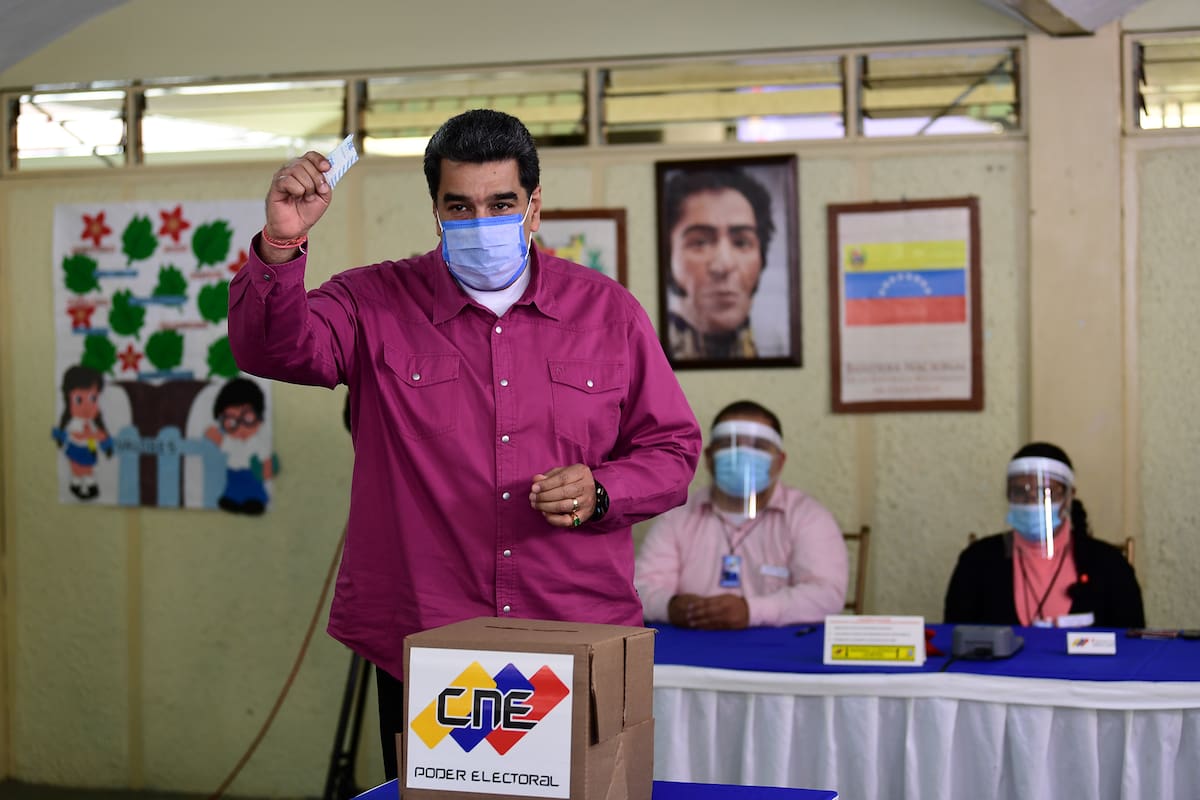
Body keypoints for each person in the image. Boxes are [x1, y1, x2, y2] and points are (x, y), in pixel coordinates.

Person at [226, 109, 702, 778]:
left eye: (501, 203)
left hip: (577, 629)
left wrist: (601, 491)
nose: (482, 222)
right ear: (437, 211)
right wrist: (279, 245)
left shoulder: (608, 313)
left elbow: (673, 452)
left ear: (533, 208)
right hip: (431, 636)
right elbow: (269, 348)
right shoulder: (372, 302)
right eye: (461, 206)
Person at [635, 400, 848, 629]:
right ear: (708, 457)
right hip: (692, 645)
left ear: (780, 461)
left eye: (759, 446)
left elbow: (827, 596)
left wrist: (751, 611)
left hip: (779, 651)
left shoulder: (808, 517)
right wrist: (671, 606)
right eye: (729, 444)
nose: (743, 455)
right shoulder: (677, 516)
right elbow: (641, 588)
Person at [943, 442, 1144, 628]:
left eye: (1044, 492)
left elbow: (1134, 646)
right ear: (1008, 496)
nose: (1031, 501)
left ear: (1068, 497)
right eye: (1020, 491)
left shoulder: (1109, 564)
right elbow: (954, 640)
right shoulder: (977, 560)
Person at [662, 168, 777, 361]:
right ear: (668, 256)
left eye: (741, 242)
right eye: (700, 243)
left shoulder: (774, 342)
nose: (723, 265)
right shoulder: (643, 350)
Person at [204, 377, 277, 514]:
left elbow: (266, 460)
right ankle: (232, 500)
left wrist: (266, 471)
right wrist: (211, 432)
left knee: (253, 493)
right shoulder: (230, 441)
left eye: (247, 418)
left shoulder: (257, 443)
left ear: (259, 417)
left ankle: (254, 502)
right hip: (233, 475)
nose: (241, 427)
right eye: (231, 422)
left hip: (251, 475)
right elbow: (217, 438)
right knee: (232, 492)